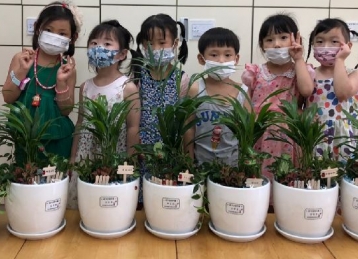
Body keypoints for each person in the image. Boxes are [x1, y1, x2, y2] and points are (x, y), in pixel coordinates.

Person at [68, 20, 140, 208]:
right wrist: (73, 157)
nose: (98, 48)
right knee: (86, 202)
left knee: (110, 202)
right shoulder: (85, 87)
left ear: (122, 54)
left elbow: (133, 128)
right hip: (86, 155)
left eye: (107, 44)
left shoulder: (127, 87)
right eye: (94, 43)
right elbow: (80, 123)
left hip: (114, 156)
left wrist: (129, 162)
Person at [2, 1, 82, 163]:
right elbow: (8, 97)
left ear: (72, 38)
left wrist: (61, 82)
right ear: (38, 28)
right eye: (48, 30)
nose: (54, 36)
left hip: (58, 139)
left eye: (62, 33)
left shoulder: (67, 68)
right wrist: (21, 71)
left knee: (56, 178)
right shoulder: (21, 59)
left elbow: (66, 110)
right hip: (25, 137)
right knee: (25, 175)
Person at [241, 13, 314, 179]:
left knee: (287, 177)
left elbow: (307, 91)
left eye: (283, 37)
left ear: (296, 40)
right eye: (269, 39)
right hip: (261, 134)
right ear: (262, 45)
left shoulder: (300, 70)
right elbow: (247, 104)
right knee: (259, 176)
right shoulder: (255, 72)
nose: (276, 44)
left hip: (290, 135)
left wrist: (298, 59)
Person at [133, 14, 189, 205]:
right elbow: (132, 119)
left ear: (175, 43)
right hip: (144, 150)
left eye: (162, 43)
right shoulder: (138, 76)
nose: (155, 49)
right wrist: (136, 147)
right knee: (145, 198)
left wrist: (185, 155)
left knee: (168, 198)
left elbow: (185, 121)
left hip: (171, 150)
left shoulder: (182, 79)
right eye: (150, 43)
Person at [190, 27, 249, 167]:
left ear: (236, 58)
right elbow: (188, 128)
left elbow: (249, 132)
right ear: (201, 59)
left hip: (233, 166)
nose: (221, 60)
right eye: (214, 55)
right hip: (200, 165)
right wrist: (188, 161)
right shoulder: (195, 89)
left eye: (227, 55)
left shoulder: (243, 91)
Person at [305, 18, 358, 160]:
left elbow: (342, 93)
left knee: (347, 171)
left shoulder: (355, 74)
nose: (326, 46)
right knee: (318, 172)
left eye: (334, 41)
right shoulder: (309, 74)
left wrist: (340, 60)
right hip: (318, 135)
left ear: (348, 46)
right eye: (320, 41)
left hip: (345, 137)